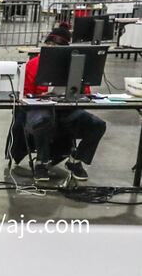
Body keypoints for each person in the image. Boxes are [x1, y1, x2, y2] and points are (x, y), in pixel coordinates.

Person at [16, 23, 106, 182]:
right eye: (48, 45)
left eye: (55, 47)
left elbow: (86, 93)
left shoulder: (76, 67)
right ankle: (41, 163)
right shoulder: (33, 65)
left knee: (97, 125)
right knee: (42, 120)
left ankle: (76, 160)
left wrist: (75, 95)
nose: (50, 49)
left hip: (67, 111)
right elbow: (24, 95)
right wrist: (41, 96)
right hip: (39, 110)